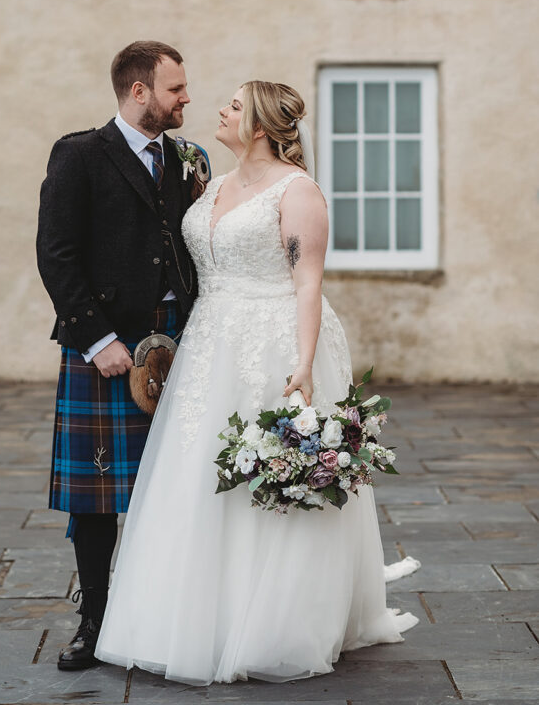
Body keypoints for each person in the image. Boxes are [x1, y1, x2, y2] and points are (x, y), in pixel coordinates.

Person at [95, 80, 417, 684]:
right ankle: (184, 618)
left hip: (273, 341)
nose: (220, 110)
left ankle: (272, 622)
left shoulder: (298, 191)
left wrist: (303, 362)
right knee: (194, 474)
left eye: (235, 106)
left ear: (262, 125)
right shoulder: (211, 182)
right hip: (208, 343)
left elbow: (306, 283)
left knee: (263, 476)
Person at [36, 41, 209, 670]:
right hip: (109, 341)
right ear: (139, 91)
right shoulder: (80, 154)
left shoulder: (189, 159)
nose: (186, 98)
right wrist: (98, 339)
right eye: (175, 89)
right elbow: (55, 253)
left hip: (184, 338)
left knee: (171, 487)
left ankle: (158, 616)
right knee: (96, 493)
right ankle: (94, 620)